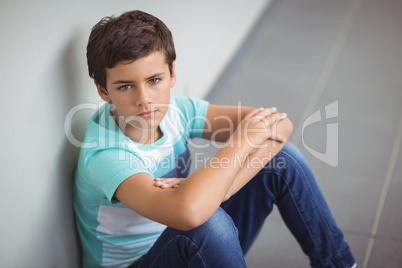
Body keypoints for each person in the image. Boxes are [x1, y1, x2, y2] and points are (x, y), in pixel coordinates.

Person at [73, 10, 357, 268]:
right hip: (139, 263)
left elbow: (280, 125)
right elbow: (189, 214)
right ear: (103, 90)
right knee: (207, 222)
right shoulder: (106, 155)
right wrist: (240, 141)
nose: (144, 100)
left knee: (282, 159)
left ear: (172, 74)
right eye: (125, 86)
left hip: (186, 244)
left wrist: (221, 190)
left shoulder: (177, 111)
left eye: (154, 80)